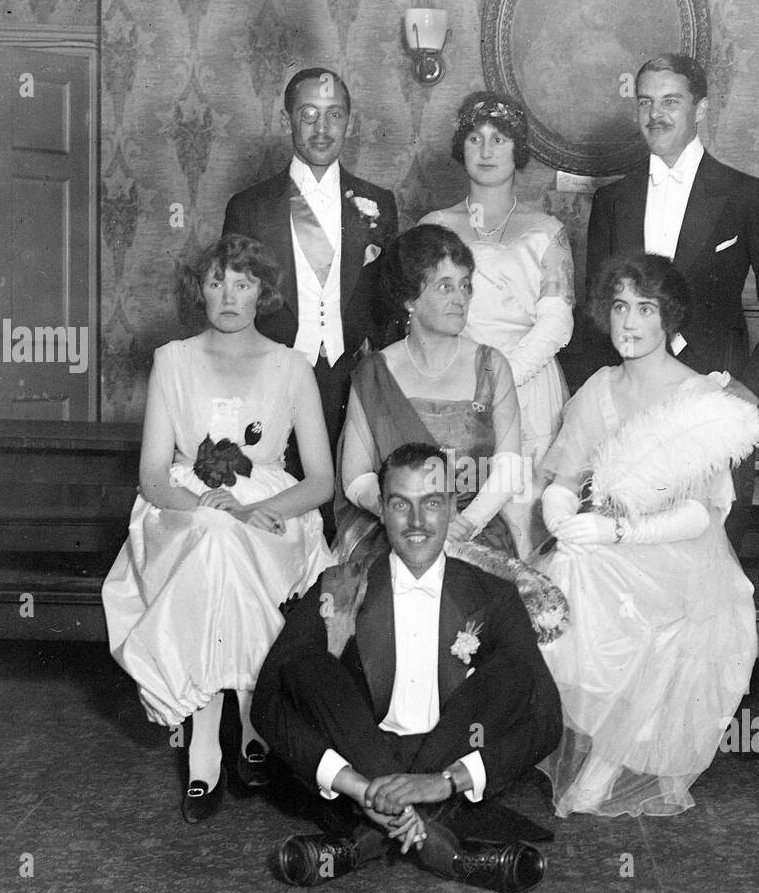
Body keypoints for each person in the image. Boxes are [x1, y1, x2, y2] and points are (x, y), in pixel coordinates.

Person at [254, 442, 563, 892]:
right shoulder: (340, 585)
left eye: (432, 504)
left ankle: (359, 846)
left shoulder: (494, 595)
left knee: (514, 673)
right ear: (381, 508)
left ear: (452, 507)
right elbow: (266, 703)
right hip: (361, 758)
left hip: (446, 762)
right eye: (401, 504)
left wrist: (441, 783)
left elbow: (547, 719)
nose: (417, 523)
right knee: (303, 665)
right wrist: (361, 786)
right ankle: (451, 854)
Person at [103, 235, 336, 823]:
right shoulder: (173, 360)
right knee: (213, 538)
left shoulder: (291, 367)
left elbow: (321, 482)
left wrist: (268, 510)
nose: (229, 295)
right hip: (185, 511)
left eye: (243, 282)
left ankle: (221, 742)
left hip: (272, 515)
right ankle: (235, 737)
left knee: (229, 541)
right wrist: (202, 502)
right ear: (198, 291)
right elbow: (153, 476)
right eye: (216, 282)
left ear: (263, 291)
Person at [536, 253, 759, 818]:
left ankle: (604, 766)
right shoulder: (599, 388)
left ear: (668, 319)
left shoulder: (699, 399)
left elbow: (699, 516)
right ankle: (588, 748)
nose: (629, 323)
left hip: (678, 555)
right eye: (619, 308)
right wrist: (562, 515)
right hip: (607, 544)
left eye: (645, 308)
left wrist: (614, 530)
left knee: (655, 623)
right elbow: (564, 479)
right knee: (564, 576)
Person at [582, 53, 759, 550]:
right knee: (629, 551)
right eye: (645, 102)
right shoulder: (612, 201)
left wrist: (751, 391)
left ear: (700, 109)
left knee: (712, 547)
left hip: (713, 401)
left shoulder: (747, 195)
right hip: (630, 407)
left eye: (670, 101)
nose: (655, 115)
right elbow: (595, 313)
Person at [221, 67, 399, 535]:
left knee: (345, 506)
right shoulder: (250, 206)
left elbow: (386, 304)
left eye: (334, 115)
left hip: (348, 377)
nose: (322, 129)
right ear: (287, 121)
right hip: (272, 373)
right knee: (277, 505)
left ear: (350, 123)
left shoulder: (378, 203)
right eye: (309, 114)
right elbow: (232, 301)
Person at [420, 91, 573, 556]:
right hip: (453, 382)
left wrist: (499, 378)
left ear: (517, 149)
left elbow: (556, 325)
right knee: (459, 504)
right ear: (460, 147)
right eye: (475, 138)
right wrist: (467, 379)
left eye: (500, 139)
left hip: (525, 382)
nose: (486, 151)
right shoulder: (435, 225)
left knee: (521, 511)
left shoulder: (545, 230)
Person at [334, 224, 523, 562]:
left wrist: (467, 524)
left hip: (472, 531)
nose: (460, 299)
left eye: (465, 286)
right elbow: (356, 476)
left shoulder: (492, 366)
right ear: (410, 299)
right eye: (444, 287)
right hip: (391, 532)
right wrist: (403, 516)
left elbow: (509, 468)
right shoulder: (374, 373)